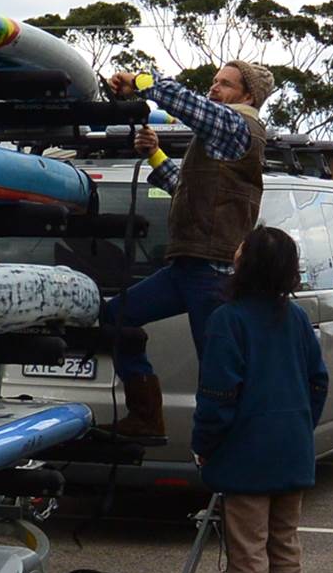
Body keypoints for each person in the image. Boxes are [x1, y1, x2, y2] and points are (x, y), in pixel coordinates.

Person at [99, 59, 275, 438]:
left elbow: (184, 102)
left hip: (212, 271)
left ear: (248, 97)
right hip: (188, 267)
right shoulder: (222, 136)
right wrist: (156, 154)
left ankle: (227, 446)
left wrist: (139, 81)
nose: (214, 88)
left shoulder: (237, 126)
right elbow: (186, 189)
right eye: (214, 81)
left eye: (225, 84)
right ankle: (146, 416)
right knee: (116, 316)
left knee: (217, 369)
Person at [189, 225, 327, 573]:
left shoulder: (227, 320)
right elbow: (319, 382)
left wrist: (205, 445)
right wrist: (300, 427)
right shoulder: (297, 319)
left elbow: (217, 397)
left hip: (246, 456)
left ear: (246, 264)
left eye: (240, 248)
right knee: (284, 551)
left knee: (248, 556)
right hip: (292, 451)